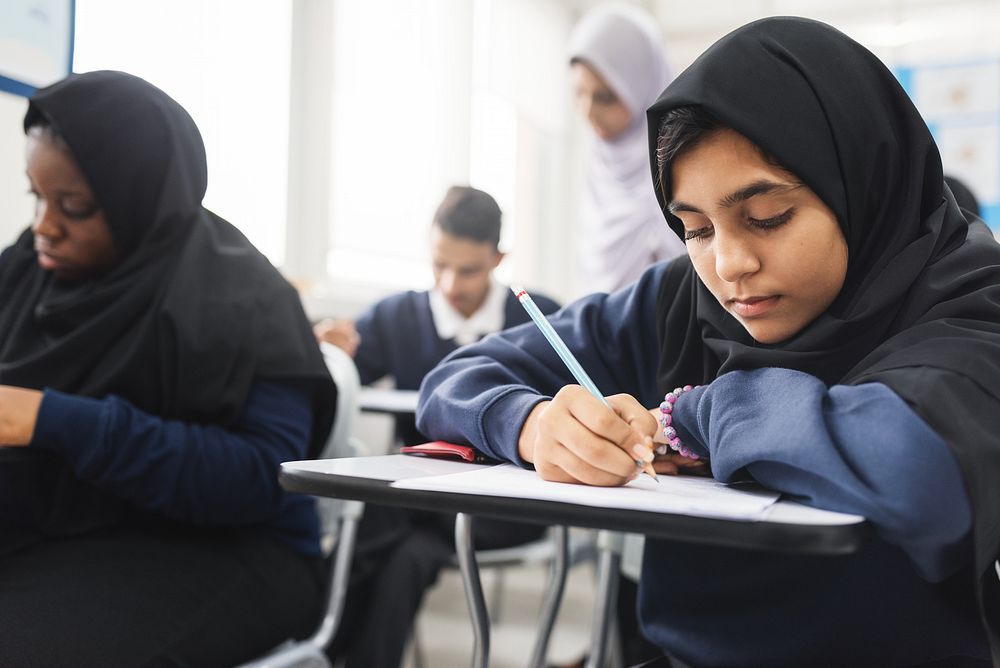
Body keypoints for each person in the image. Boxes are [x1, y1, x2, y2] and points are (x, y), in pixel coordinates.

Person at [418, 17, 1000, 667]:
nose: (729, 264)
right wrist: (533, 425)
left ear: (861, 181)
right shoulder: (681, 301)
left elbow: (917, 468)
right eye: (694, 228)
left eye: (767, 218)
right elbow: (455, 378)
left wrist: (683, 419)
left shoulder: (969, 297)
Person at [0, 70, 337, 667]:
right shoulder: (25, 272)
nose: (45, 226)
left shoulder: (243, 301)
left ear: (140, 199)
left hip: (224, 547)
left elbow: (262, 478)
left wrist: (53, 419)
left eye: (74, 207)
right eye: (37, 197)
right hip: (65, 527)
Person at [316, 185, 560, 668]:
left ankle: (314, 641)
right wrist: (332, 351)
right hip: (423, 509)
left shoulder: (539, 316)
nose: (449, 284)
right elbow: (342, 377)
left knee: (374, 514)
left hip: (507, 506)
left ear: (498, 259)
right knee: (408, 556)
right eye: (438, 265)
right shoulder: (398, 315)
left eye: (467, 269)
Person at [569, 4, 685, 294]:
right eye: (579, 93)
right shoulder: (599, 165)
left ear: (642, 85)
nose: (588, 112)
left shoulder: (680, 166)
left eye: (606, 97)